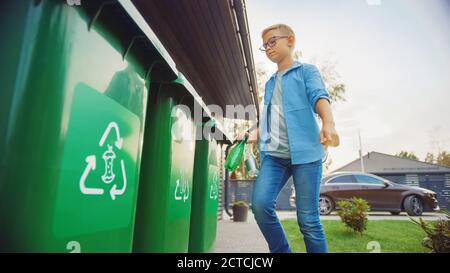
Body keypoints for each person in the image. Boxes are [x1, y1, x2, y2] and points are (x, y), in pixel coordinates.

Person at [240, 24, 340, 253]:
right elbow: (269, 117)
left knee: (308, 221)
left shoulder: (307, 71)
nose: (268, 48)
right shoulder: (270, 83)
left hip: (306, 155)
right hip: (275, 156)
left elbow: (319, 96)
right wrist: (254, 134)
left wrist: (328, 123)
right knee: (260, 205)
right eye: (264, 45)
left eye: (272, 41)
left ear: (291, 40)